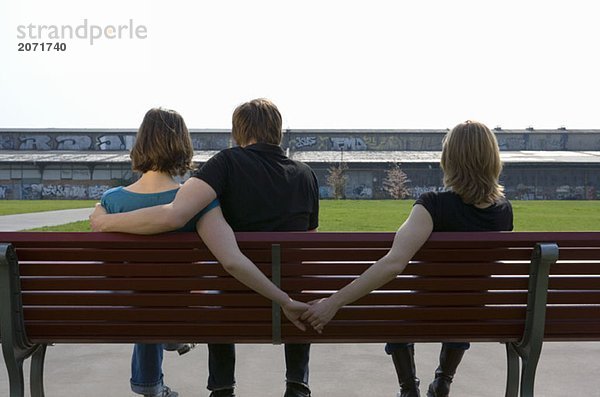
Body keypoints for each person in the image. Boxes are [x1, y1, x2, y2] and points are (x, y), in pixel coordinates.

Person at [91, 99, 320, 397]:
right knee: (292, 276)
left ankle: (223, 386)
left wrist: (105, 222)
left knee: (220, 285)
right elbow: (310, 239)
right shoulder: (306, 174)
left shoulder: (226, 163)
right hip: (289, 301)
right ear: (277, 131)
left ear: (238, 132)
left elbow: (174, 214)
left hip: (233, 301)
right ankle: (297, 383)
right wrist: (284, 298)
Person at [301, 120, 513, 397]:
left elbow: (393, 263)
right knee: (463, 301)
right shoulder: (504, 211)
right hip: (473, 314)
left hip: (422, 313)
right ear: (492, 160)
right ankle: (443, 380)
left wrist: (334, 302)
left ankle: (408, 388)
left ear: (449, 159)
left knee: (396, 308)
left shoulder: (432, 205)